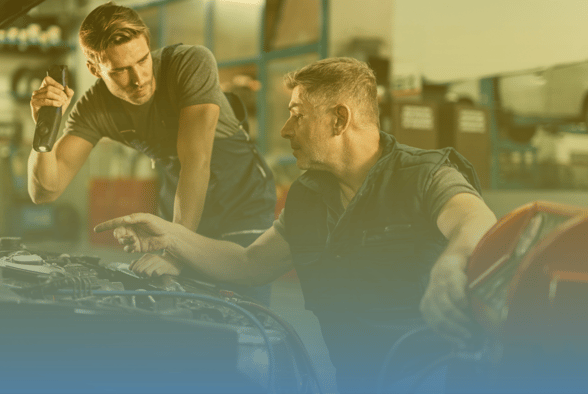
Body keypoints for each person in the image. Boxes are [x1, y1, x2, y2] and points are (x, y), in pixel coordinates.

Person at [94, 57, 499, 393]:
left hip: (436, 379)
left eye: (296, 115)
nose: (286, 129)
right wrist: (173, 236)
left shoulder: (423, 175)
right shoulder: (308, 196)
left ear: (339, 119)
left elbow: (476, 220)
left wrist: (455, 261)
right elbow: (251, 262)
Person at [28, 3, 276, 304]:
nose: (139, 78)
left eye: (143, 60)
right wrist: (44, 129)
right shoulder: (94, 108)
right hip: (182, 202)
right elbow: (45, 192)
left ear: (149, 46)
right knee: (183, 302)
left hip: (241, 198)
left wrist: (176, 249)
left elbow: (196, 162)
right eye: (119, 70)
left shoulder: (189, 63)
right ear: (94, 69)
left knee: (242, 301)